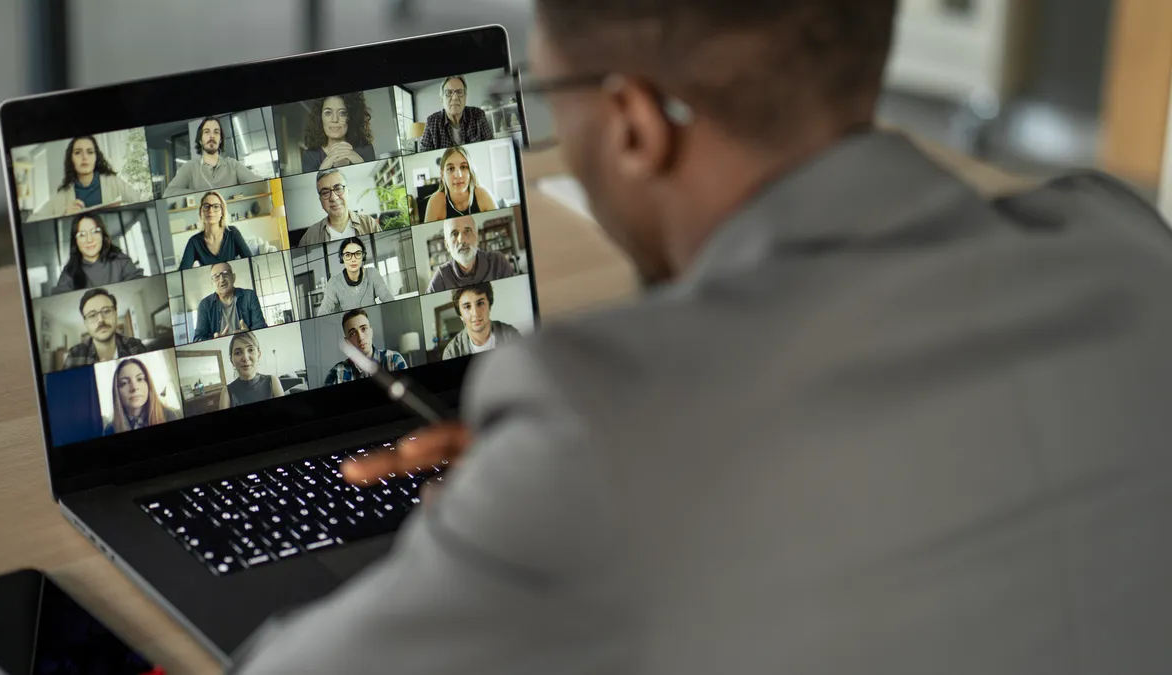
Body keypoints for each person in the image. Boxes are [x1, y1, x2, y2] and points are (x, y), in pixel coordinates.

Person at [234, 0, 1172, 673]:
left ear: (638, 123)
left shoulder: (596, 421)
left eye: (555, 93)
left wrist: (511, 519)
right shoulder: (1127, 246)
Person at [29, 136, 143, 221]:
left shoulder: (114, 182)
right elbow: (31, 220)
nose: (84, 157)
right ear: (71, 159)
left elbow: (140, 202)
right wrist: (63, 215)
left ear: (96, 157)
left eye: (90, 152)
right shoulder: (62, 195)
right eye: (78, 153)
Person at [162, 117, 262, 197]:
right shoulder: (189, 167)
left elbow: (258, 182)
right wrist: (199, 194)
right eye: (206, 132)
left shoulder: (233, 165)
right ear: (200, 140)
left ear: (221, 140)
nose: (212, 136)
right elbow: (168, 193)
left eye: (216, 132)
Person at [51, 214, 144, 293]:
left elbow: (139, 283)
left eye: (94, 232)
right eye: (82, 234)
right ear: (75, 241)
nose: (89, 239)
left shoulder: (120, 260)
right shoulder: (69, 272)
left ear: (102, 235)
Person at [425, 215, 514, 292]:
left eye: (467, 231)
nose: (462, 240)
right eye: (454, 234)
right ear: (447, 245)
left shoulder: (498, 262)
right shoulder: (441, 278)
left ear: (477, 238)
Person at [62, 289, 147, 370]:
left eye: (106, 311)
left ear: (115, 314)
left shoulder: (136, 346)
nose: (101, 320)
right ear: (86, 323)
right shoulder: (74, 354)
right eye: (92, 315)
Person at [296, 168, 380, 246]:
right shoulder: (309, 237)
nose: (333, 198)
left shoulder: (369, 223)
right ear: (320, 200)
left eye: (338, 188)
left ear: (348, 191)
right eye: (325, 193)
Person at [323, 309, 407, 385]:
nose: (360, 338)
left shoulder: (394, 359)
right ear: (347, 341)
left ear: (371, 331)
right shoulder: (336, 373)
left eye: (364, 329)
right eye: (353, 333)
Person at [442, 282, 521, 359]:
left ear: (489, 306)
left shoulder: (511, 335)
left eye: (480, 303)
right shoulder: (451, 353)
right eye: (467, 307)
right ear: (460, 315)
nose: (475, 313)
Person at [300, 93, 377, 172]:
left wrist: (361, 164)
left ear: (351, 117)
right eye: (328, 113)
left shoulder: (366, 149)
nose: (335, 119)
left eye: (342, 113)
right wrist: (324, 168)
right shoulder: (310, 156)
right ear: (320, 118)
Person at [192, 263, 267, 342]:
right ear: (212, 283)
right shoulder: (205, 305)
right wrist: (214, 341)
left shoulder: (249, 296)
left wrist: (248, 334)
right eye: (216, 276)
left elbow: (261, 327)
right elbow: (198, 339)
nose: (222, 279)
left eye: (225, 273)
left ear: (233, 277)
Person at [318, 237, 394, 314]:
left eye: (358, 254)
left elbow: (387, 297)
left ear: (363, 256)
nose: (353, 259)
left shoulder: (372, 274)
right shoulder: (334, 283)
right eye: (348, 255)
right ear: (342, 258)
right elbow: (324, 310)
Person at [422, 145, 498, 223]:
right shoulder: (435, 201)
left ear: (470, 171)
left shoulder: (483, 195)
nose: (458, 175)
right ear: (442, 175)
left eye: (463, 167)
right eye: (451, 169)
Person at [177, 191, 253, 269]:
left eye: (216, 206)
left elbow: (251, 261)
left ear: (222, 212)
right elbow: (182, 272)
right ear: (201, 212)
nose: (210, 210)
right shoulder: (194, 242)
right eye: (206, 206)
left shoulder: (233, 233)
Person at [418, 75, 495, 152]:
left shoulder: (478, 115)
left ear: (465, 97)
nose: (455, 97)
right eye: (448, 92)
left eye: (459, 92)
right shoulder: (432, 122)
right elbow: (423, 155)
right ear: (442, 99)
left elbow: (491, 147)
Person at [103, 358, 180, 434]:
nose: (134, 387)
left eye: (140, 379)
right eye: (124, 383)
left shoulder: (168, 416)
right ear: (117, 392)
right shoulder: (110, 430)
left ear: (148, 385)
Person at [218, 331, 285, 409]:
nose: (245, 358)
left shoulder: (273, 382)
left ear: (258, 355)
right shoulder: (226, 392)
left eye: (250, 350)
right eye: (238, 352)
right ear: (231, 360)